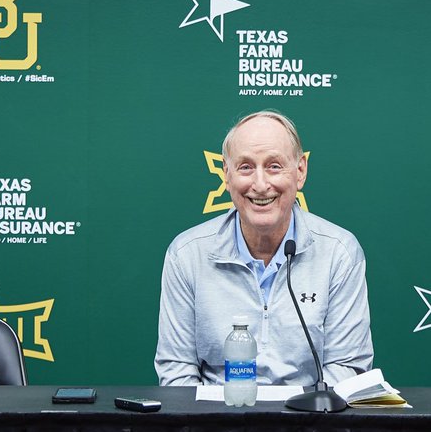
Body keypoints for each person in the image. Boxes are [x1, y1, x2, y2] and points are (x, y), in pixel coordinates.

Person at [155, 110, 374, 386]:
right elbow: (177, 373)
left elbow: (346, 368)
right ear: (226, 174)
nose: (260, 185)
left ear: (300, 171)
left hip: (308, 423)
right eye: (245, 167)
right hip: (214, 423)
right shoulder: (186, 255)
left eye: (274, 166)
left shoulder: (339, 252)